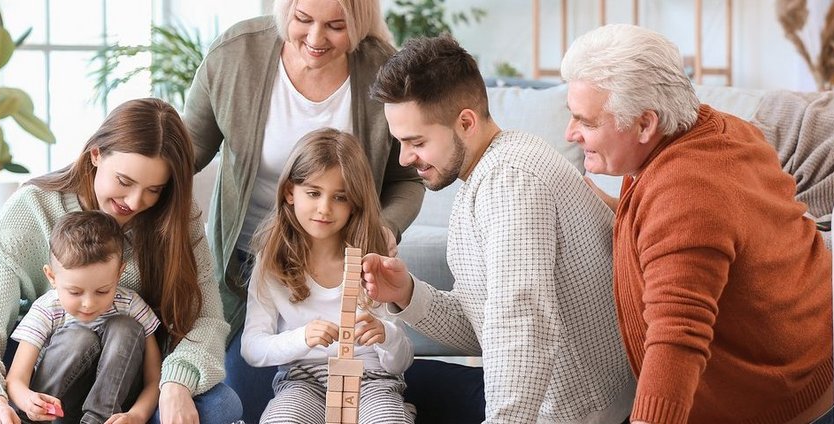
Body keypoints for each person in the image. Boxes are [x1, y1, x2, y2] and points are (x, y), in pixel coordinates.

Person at [0, 98, 241, 424]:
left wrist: (175, 384)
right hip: (39, 367)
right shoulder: (33, 207)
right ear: (96, 154)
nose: (136, 202)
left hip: (126, 374)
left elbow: (208, 321)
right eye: (124, 182)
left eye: (154, 189)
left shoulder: (177, 219)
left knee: (221, 406)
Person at [560, 24, 834, 424]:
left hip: (775, 405)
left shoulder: (686, 195)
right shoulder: (718, 130)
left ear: (644, 125)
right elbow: (682, 228)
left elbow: (676, 340)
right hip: (815, 362)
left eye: (585, 121)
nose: (571, 133)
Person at [362, 35, 636, 423]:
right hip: (552, 404)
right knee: (370, 383)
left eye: (416, 141)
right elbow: (486, 328)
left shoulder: (510, 182)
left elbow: (521, 326)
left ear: (466, 122)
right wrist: (406, 294)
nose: (406, 159)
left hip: (570, 413)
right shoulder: (491, 169)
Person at [183, 0, 424, 420]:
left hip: (348, 255)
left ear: (360, 23)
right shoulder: (236, 55)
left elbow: (405, 179)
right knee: (247, 398)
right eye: (302, 20)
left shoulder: (384, 71)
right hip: (255, 260)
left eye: (335, 26)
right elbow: (186, 151)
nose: (315, 39)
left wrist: (381, 229)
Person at [241, 128, 414, 423]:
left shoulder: (376, 261)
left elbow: (402, 360)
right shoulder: (271, 262)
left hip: (373, 381)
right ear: (289, 193)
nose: (324, 209)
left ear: (355, 203)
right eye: (313, 193)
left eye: (340, 197)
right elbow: (252, 348)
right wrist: (302, 338)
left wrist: (387, 336)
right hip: (302, 381)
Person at [6, 211, 162, 424]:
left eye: (102, 291)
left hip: (115, 412)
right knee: (80, 337)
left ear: (119, 273)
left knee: (125, 327)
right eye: (75, 292)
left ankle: (96, 420)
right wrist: (27, 400)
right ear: (52, 277)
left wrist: (137, 415)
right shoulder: (47, 309)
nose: (88, 304)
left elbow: (154, 378)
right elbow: (16, 379)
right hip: (55, 409)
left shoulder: (130, 305)